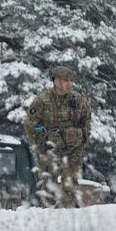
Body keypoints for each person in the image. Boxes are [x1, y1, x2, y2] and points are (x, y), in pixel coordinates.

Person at [24, 65, 92, 207]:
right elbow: (30, 126)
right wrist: (41, 143)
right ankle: (49, 213)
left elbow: (86, 124)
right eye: (65, 80)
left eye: (70, 81)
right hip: (50, 150)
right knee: (49, 185)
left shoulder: (79, 101)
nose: (69, 84)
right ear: (55, 81)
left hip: (73, 149)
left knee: (69, 183)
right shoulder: (42, 101)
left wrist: (80, 138)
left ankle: (68, 213)